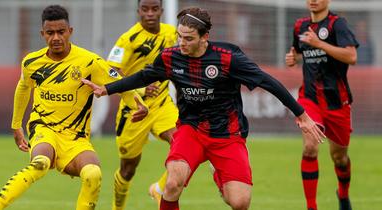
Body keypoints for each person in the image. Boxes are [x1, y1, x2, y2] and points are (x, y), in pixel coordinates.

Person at [83, 7, 325, 210]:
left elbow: (268, 82)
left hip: (227, 135)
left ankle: (219, 174)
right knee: (172, 183)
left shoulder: (228, 58)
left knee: (239, 202)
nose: (182, 43)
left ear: (204, 36)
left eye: (188, 38)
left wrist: (301, 115)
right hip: (192, 130)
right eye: (179, 36)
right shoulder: (171, 57)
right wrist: (107, 89)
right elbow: (144, 77)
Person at [0, 5, 147, 210]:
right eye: (50, 33)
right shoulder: (32, 62)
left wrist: (137, 104)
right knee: (41, 163)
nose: (56, 37)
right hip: (44, 129)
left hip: (75, 137)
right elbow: (23, 88)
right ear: (42, 34)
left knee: (93, 173)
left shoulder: (90, 62)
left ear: (70, 31)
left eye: (61, 32)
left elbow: (119, 84)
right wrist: (16, 125)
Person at [285, 1, 358, 210]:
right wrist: (294, 58)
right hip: (309, 98)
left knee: (340, 158)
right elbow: (301, 53)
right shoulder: (300, 26)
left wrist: (320, 44)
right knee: (309, 148)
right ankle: (311, 206)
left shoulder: (338, 24)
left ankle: (343, 194)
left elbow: (352, 56)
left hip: (337, 102)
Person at [105, 0, 178, 209]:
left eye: (154, 9)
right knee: (128, 169)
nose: (150, 14)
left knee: (184, 145)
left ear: (162, 11)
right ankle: (117, 207)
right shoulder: (128, 39)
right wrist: (140, 89)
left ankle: (159, 188)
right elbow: (110, 72)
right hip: (133, 110)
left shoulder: (171, 34)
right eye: (145, 9)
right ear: (138, 11)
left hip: (162, 105)